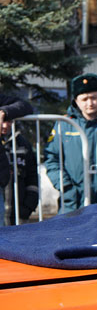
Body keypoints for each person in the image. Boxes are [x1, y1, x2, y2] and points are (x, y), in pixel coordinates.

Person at [43, 73, 97, 212]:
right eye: (84, 99)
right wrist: (66, 187)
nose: (90, 103)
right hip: (72, 202)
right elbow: (51, 158)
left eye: (93, 97)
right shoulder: (63, 124)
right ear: (76, 100)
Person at [0, 93, 34, 221]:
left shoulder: (21, 143)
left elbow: (24, 105)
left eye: (8, 121)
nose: (4, 125)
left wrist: (3, 112)